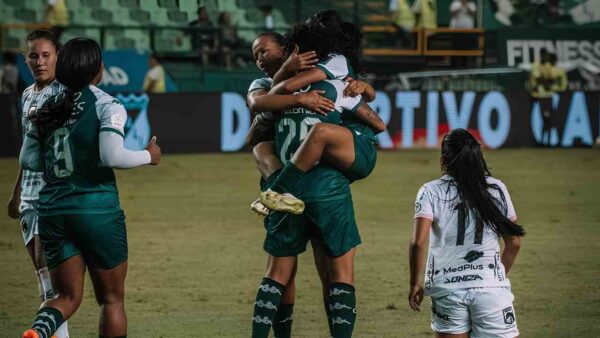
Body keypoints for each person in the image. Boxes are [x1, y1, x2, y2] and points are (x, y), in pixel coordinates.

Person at [20, 38, 161, 338]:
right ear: (99, 69)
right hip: (96, 211)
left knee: (65, 297)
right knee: (111, 299)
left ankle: (38, 332)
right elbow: (112, 156)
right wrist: (149, 156)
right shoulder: (107, 104)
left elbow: (28, 159)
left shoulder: (45, 106)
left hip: (53, 212)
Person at [259, 11, 385, 213]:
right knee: (265, 147)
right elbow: (372, 105)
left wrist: (287, 75)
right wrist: (367, 89)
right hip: (338, 145)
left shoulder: (334, 65)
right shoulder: (336, 71)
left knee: (320, 133)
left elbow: (279, 91)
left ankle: (277, 192)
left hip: (354, 144)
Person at [408, 128, 525, 338]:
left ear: (444, 159)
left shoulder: (430, 191)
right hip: (490, 289)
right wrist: (492, 278)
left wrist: (415, 283)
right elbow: (514, 243)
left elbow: (418, 243)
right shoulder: (496, 188)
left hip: (447, 290)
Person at [6, 30, 70, 338]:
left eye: (46, 55)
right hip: (29, 196)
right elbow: (28, 148)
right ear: (25, 59)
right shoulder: (27, 94)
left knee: (54, 284)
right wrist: (17, 190)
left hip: (53, 195)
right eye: (34, 55)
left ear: (58, 56)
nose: (39, 62)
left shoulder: (65, 95)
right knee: (44, 283)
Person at [530, 48, 554, 146]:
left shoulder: (548, 66)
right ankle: (542, 141)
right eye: (544, 55)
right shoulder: (537, 65)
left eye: (547, 55)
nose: (546, 57)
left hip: (549, 96)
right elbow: (538, 78)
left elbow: (552, 79)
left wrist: (546, 81)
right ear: (541, 55)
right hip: (541, 96)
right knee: (544, 118)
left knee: (548, 119)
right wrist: (546, 82)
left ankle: (546, 141)